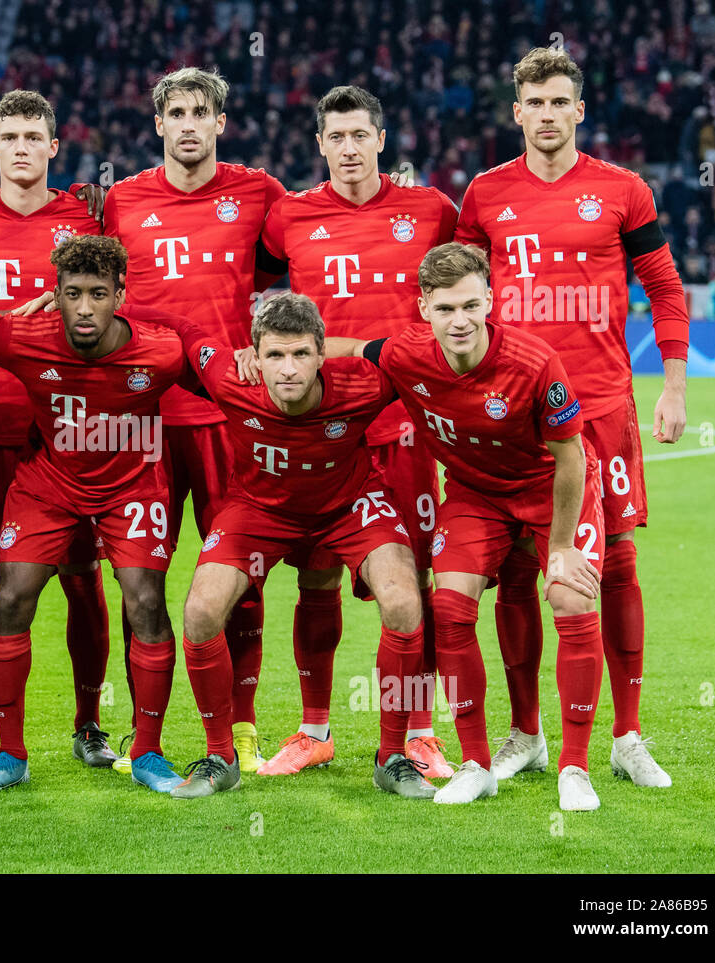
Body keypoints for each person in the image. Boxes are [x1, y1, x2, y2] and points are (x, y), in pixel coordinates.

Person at [454, 47, 687, 787]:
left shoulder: (623, 191)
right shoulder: (485, 196)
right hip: (514, 419)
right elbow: (454, 295)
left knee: (614, 564)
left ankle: (626, 735)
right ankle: (526, 732)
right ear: (516, 111)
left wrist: (673, 387)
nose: (548, 115)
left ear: (579, 111)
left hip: (603, 410)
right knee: (521, 574)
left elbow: (667, 289)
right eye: (535, 103)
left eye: (561, 102)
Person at [333, 242, 607, 811]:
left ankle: (575, 767)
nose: (460, 321)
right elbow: (350, 347)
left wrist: (560, 547)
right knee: (451, 608)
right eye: (445, 309)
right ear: (423, 307)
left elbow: (571, 457)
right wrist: (270, 356)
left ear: (490, 301)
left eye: (471, 306)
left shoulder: (533, 363)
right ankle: (477, 763)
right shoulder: (406, 354)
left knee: (568, 596)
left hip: (548, 488)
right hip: (475, 495)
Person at [256, 84, 459, 778]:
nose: (348, 148)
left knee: (415, 583)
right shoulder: (289, 216)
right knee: (315, 578)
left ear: (381, 138)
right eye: (335, 137)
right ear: (320, 144)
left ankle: (420, 731)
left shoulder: (431, 210)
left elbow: (465, 291)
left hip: (406, 424)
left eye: (359, 135)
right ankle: (316, 730)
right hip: (322, 429)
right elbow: (249, 293)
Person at [166, 292, 435, 800]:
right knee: (201, 610)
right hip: (258, 509)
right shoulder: (228, 377)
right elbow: (180, 324)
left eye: (301, 355)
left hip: (349, 503)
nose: (288, 369)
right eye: (274, 355)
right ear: (254, 355)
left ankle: (393, 755)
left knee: (403, 600)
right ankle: (221, 757)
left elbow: (424, 350)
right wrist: (78, 301)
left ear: (321, 353)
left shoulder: (364, 383)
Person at [103, 66, 286, 773]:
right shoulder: (122, 202)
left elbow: (273, 277)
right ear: (158, 125)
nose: (187, 123)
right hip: (141, 420)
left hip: (227, 419)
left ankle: (240, 728)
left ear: (219, 122)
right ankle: (144, 736)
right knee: (139, 580)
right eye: (174, 112)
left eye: (199, 111)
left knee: (243, 578)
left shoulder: (259, 192)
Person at [0, 235, 189, 794]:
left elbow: (222, 376)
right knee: (11, 598)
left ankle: (149, 751)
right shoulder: (19, 338)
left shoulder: (159, 352)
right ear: (54, 295)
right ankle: (10, 753)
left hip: (131, 486)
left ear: (120, 296)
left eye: (98, 294)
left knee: (147, 603)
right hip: (48, 482)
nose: (85, 309)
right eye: (73, 294)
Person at [0, 91, 114, 773]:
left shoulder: (82, 216)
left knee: (80, 575)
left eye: (35, 136)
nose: (22, 148)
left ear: (53, 148)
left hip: (68, 430)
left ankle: (90, 721)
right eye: (9, 136)